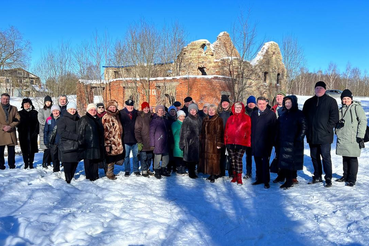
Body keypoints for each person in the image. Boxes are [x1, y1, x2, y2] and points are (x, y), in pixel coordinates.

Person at [303, 81, 339, 187]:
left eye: (321, 88)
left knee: (326, 157)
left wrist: (327, 128)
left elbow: (334, 118)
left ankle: (328, 178)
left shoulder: (331, 101)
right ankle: (317, 175)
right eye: (317, 88)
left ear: (325, 89)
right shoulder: (309, 102)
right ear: (314, 89)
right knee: (314, 156)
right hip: (312, 135)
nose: (318, 90)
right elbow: (304, 117)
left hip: (325, 136)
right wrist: (307, 130)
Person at [335, 89, 367, 187]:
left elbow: (363, 121)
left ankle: (352, 178)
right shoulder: (341, 109)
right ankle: (345, 176)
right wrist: (337, 129)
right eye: (344, 99)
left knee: (352, 158)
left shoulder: (356, 108)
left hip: (354, 137)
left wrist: (360, 136)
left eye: (348, 98)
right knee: (345, 157)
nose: (346, 100)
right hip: (343, 137)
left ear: (351, 99)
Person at [276, 96, 307, 189]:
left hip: (293, 142)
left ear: (293, 103)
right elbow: (278, 127)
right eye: (286, 103)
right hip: (283, 141)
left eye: (289, 102)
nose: (287, 104)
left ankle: (289, 180)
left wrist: (299, 138)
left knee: (290, 162)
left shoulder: (299, 114)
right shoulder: (283, 114)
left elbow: (304, 127)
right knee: (284, 161)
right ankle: (283, 177)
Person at [251, 97, 277, 189]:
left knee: (265, 162)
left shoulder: (271, 114)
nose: (261, 105)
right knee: (257, 161)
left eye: (263, 103)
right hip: (255, 141)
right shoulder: (254, 114)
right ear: (257, 104)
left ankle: (266, 180)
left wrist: (272, 142)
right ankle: (259, 179)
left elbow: (274, 129)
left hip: (266, 142)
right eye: (259, 103)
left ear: (266, 103)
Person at [224, 102, 251, 185]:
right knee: (232, 160)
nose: (238, 109)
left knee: (238, 159)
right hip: (231, 142)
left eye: (239, 107)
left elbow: (249, 131)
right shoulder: (230, 118)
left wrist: (247, 141)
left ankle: (239, 177)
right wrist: (226, 140)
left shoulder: (247, 118)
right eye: (236, 107)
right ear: (233, 108)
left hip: (242, 142)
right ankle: (234, 176)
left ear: (242, 108)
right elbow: (227, 130)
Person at [78, 104, 105, 181]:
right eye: (91, 110)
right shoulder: (84, 119)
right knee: (88, 162)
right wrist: (81, 144)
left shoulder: (97, 119)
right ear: (88, 110)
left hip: (97, 144)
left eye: (94, 110)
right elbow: (80, 133)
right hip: (88, 145)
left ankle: (95, 176)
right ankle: (89, 177)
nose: (93, 111)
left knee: (95, 161)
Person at [199, 104, 224, 183]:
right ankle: (210, 173)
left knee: (214, 159)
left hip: (214, 143)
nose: (211, 111)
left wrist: (219, 143)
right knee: (208, 159)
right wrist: (201, 139)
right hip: (205, 143)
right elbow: (202, 131)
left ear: (215, 111)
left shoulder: (218, 119)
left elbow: (220, 132)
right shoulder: (205, 119)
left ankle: (214, 174)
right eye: (210, 110)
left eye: (213, 110)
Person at [57, 102, 81, 183]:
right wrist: (75, 137)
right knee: (68, 163)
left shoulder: (78, 119)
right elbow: (61, 132)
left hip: (77, 145)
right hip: (67, 144)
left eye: (74, 109)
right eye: (71, 109)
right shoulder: (63, 119)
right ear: (67, 110)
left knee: (75, 162)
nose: (73, 111)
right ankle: (68, 180)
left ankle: (71, 177)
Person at [102, 100, 125, 180]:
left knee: (114, 157)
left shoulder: (116, 115)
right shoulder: (107, 117)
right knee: (110, 158)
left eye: (114, 107)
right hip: (111, 141)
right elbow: (106, 132)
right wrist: (107, 144)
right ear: (108, 108)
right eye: (111, 107)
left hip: (116, 141)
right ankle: (109, 173)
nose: (112, 108)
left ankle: (111, 172)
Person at [180, 103, 202, 179]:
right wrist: (182, 143)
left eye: (194, 109)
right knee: (190, 159)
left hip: (198, 142)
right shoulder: (187, 120)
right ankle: (191, 173)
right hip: (189, 142)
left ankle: (194, 171)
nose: (193, 111)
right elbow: (183, 132)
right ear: (189, 111)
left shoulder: (199, 118)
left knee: (196, 158)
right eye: (191, 110)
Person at [150, 105, 171, 179]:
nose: (161, 111)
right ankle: (157, 170)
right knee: (157, 156)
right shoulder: (154, 120)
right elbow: (151, 132)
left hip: (166, 141)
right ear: (156, 111)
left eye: (162, 110)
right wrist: (152, 143)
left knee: (166, 156)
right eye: (159, 110)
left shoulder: (166, 120)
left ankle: (163, 169)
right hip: (158, 141)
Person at [119, 99, 139, 176]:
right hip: (125, 139)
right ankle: (127, 170)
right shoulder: (121, 113)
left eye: (131, 105)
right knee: (126, 156)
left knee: (136, 156)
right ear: (126, 105)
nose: (130, 107)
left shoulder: (136, 113)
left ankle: (136, 169)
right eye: (129, 105)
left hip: (135, 139)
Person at [17, 98, 39, 169]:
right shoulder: (20, 113)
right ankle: (26, 163)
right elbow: (17, 123)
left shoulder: (34, 113)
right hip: (23, 134)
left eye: (28, 104)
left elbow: (37, 123)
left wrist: (36, 131)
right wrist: (20, 129)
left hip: (33, 134)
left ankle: (31, 163)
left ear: (31, 105)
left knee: (32, 149)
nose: (27, 105)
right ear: (22, 105)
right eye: (25, 104)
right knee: (24, 149)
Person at [0, 93, 20, 170]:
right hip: (1, 132)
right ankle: (1, 166)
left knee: (11, 151)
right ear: (1, 99)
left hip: (11, 131)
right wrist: (3, 127)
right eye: (4, 99)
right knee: (0, 151)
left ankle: (12, 165)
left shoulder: (14, 108)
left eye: (7, 99)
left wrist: (10, 126)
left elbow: (17, 119)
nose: (5, 100)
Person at [135, 102, 153, 177]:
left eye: (147, 108)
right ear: (142, 109)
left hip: (151, 141)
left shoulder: (151, 117)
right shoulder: (139, 118)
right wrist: (139, 141)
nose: (146, 109)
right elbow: (137, 130)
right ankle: (144, 170)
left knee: (149, 156)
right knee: (143, 157)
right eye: (144, 108)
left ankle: (147, 168)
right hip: (143, 140)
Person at [218, 94, 232, 177]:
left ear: (229, 103)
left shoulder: (232, 113)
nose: (225, 104)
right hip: (221, 136)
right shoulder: (218, 113)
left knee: (231, 156)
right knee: (221, 155)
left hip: (230, 137)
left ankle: (231, 173)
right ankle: (221, 172)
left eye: (226, 102)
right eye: (223, 102)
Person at [44, 105, 62, 172]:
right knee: (54, 156)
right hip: (52, 141)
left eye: (57, 110)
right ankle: (56, 169)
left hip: (61, 141)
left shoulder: (62, 119)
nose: (55, 112)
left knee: (61, 156)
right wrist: (46, 141)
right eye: (54, 111)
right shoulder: (49, 119)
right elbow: (46, 130)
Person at [244, 95, 258, 179]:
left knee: (257, 156)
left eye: (252, 103)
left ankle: (258, 173)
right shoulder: (244, 111)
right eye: (249, 103)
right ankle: (248, 172)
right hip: (246, 137)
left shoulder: (258, 111)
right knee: (248, 156)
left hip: (256, 137)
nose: (251, 104)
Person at [38, 95, 53, 168]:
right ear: (44, 102)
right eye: (46, 102)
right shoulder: (41, 110)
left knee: (51, 148)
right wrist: (48, 123)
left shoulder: (53, 109)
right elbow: (40, 119)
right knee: (46, 148)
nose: (48, 103)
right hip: (44, 131)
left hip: (52, 131)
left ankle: (49, 162)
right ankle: (44, 162)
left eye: (49, 102)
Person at [172, 110, 186, 174]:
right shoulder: (175, 124)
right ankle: (178, 167)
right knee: (178, 156)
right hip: (177, 141)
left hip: (184, 141)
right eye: (181, 116)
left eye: (183, 116)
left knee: (183, 155)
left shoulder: (186, 124)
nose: (182, 118)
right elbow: (173, 133)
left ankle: (183, 168)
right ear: (178, 117)